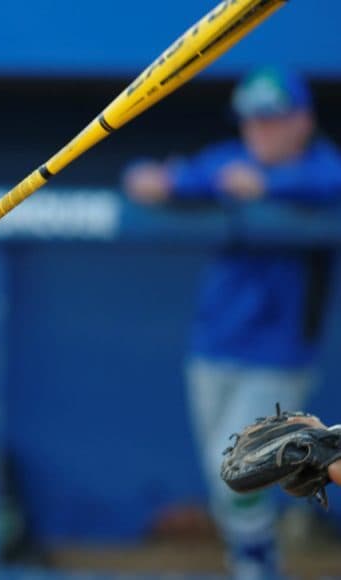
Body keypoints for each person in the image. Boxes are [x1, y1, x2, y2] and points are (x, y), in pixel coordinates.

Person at [123, 67, 341, 579]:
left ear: (302, 120)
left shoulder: (322, 168)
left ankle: (257, 559)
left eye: (273, 120)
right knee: (225, 475)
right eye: (253, 121)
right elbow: (150, 178)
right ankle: (258, 555)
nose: (260, 131)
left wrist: (267, 186)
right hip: (213, 345)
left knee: (236, 470)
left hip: (280, 353)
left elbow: (328, 180)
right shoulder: (229, 162)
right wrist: (156, 180)